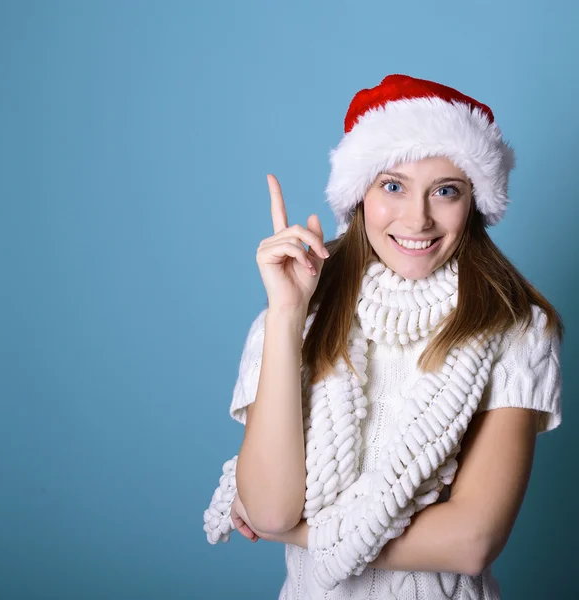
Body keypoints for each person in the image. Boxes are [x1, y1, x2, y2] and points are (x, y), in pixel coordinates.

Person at [203, 74, 563, 599]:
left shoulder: (515, 328)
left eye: (445, 191)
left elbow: (472, 540)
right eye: (393, 186)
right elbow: (272, 506)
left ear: (475, 203)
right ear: (359, 196)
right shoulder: (292, 317)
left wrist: (303, 533)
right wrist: (286, 314)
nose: (417, 219)